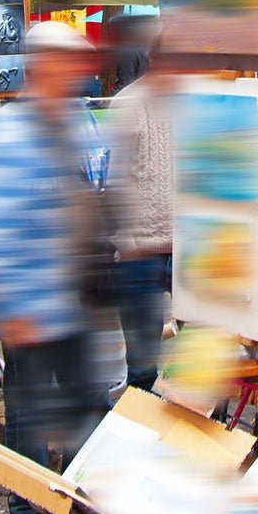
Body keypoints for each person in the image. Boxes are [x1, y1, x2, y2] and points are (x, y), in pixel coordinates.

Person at [0, 21, 112, 514]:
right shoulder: (5, 130)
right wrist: (8, 302)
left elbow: (99, 177)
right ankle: (25, 504)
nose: (79, 75)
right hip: (28, 299)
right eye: (70, 65)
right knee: (29, 407)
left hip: (72, 290)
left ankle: (74, 499)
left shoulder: (78, 120)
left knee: (87, 400)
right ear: (43, 66)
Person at [104, 37, 173, 392]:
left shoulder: (198, 104)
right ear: (153, 58)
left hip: (187, 249)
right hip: (139, 252)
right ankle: (136, 435)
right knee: (142, 369)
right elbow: (116, 180)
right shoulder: (127, 104)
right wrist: (129, 243)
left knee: (199, 365)